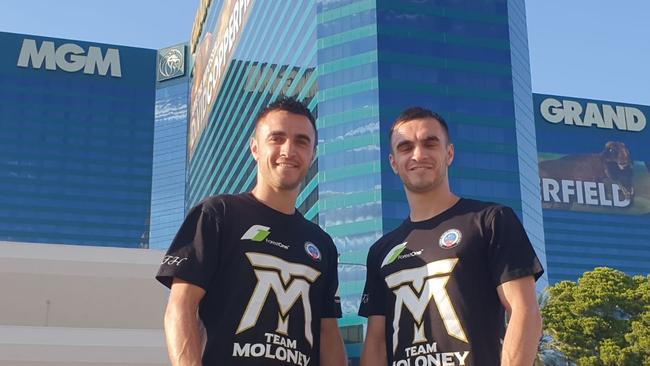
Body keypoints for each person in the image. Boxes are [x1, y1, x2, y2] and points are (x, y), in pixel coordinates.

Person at [156, 97, 347, 366]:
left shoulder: (321, 243)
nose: (288, 150)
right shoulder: (218, 214)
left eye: (301, 141)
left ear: (312, 154)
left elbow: (328, 334)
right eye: (276, 138)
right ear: (255, 148)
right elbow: (180, 306)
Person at [359, 107, 544, 366]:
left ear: (449, 153)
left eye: (429, 143)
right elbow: (376, 343)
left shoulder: (491, 220)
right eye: (405, 147)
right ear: (393, 163)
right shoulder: (381, 250)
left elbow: (525, 312)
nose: (418, 154)